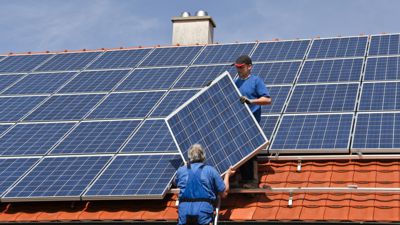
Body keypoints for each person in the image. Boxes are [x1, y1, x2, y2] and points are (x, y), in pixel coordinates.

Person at [232, 55, 272, 187]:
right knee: (235, 149)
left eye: (241, 67)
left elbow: (267, 100)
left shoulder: (256, 81)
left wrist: (251, 101)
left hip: (251, 123)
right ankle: (236, 178)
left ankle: (251, 180)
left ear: (249, 67)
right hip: (237, 123)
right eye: (237, 68)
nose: (238, 70)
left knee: (250, 150)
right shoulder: (235, 82)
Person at [175, 144, 235, 225]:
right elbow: (224, 193)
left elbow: (176, 183)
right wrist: (227, 175)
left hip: (184, 211)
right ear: (203, 156)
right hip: (203, 211)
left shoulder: (181, 171)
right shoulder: (210, 171)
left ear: (189, 156)